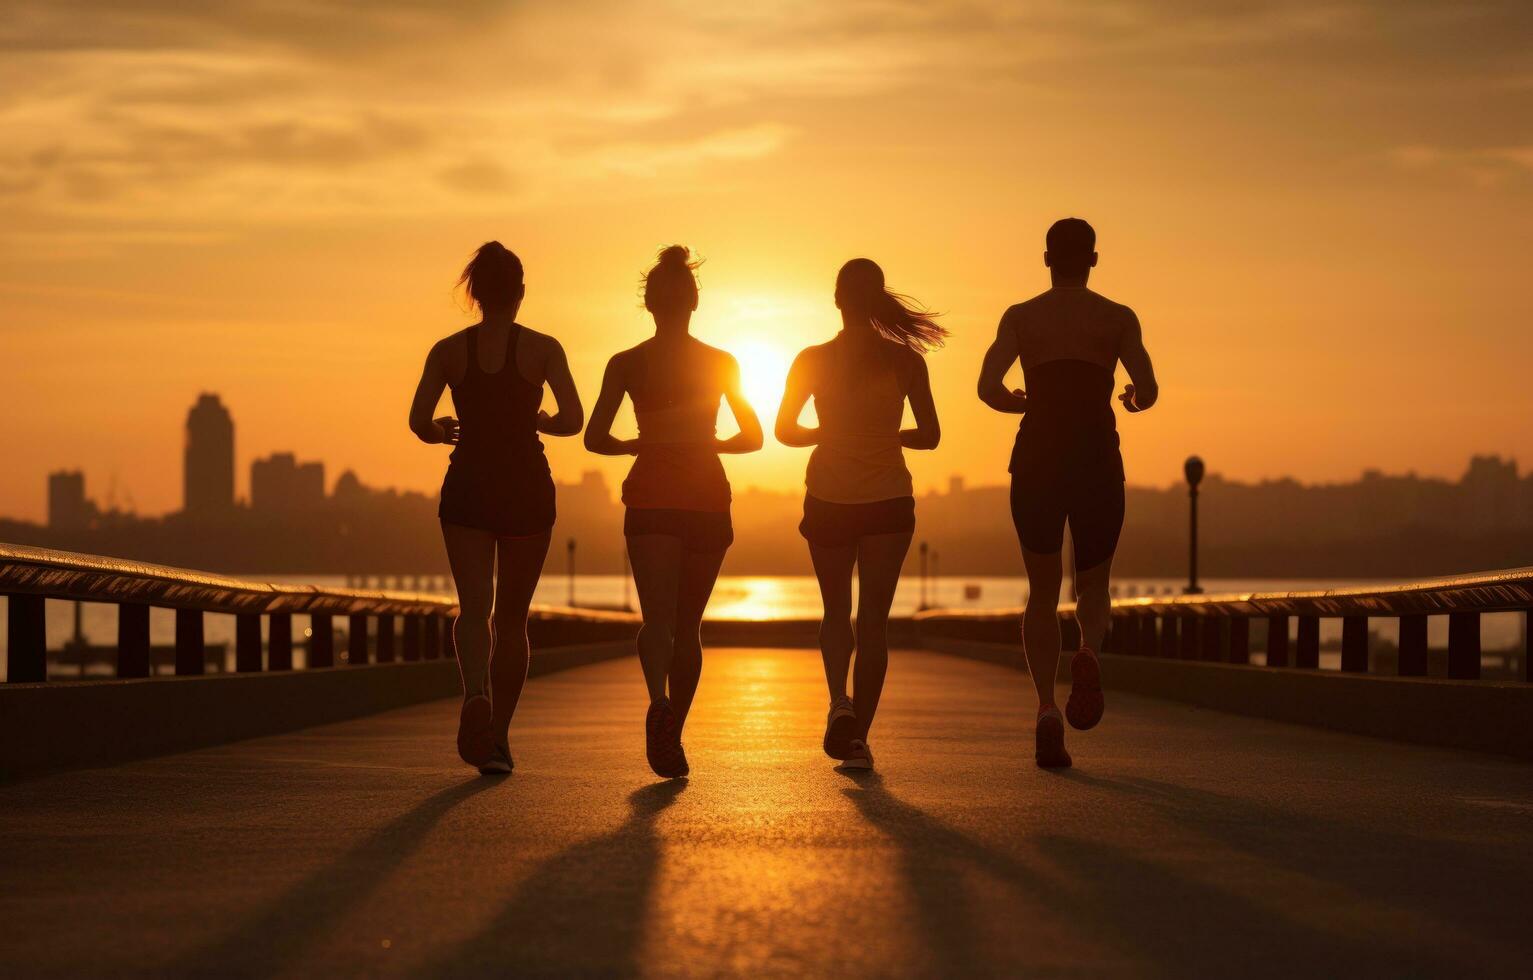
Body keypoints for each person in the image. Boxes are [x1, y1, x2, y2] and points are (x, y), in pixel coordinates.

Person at [976, 218, 1159, 769]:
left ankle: (1046, 707)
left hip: (1037, 457)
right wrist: (1128, 397)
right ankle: (1088, 652)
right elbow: (1148, 388)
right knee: (1093, 583)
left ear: (1046, 259)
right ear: (1094, 260)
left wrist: (1019, 402)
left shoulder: (1022, 317)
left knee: (1041, 589)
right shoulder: (1117, 317)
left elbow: (987, 386)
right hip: (1096, 457)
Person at [585, 245, 763, 779]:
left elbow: (595, 437)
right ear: (694, 302)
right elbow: (753, 436)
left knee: (655, 620)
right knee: (689, 627)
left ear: (649, 303)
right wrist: (707, 444)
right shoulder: (721, 362)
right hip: (707, 497)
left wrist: (641, 444)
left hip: (652, 498)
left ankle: (657, 701)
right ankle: (674, 729)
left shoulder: (626, 363)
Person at [409, 241, 584, 775]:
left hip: (468, 489)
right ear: (522, 292)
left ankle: (474, 694)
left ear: (475, 294)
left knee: (473, 607)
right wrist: (541, 420)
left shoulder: (448, 350)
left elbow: (419, 422)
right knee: (512, 619)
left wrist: (443, 433)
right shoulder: (544, 349)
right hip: (527, 489)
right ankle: (499, 740)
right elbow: (573, 419)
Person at [777, 259, 944, 772]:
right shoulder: (906, 360)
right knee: (875, 621)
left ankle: (837, 702)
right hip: (888, 500)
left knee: (835, 611)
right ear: (877, 300)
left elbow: (784, 430)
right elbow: (930, 435)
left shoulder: (811, 358)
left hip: (828, 495)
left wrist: (829, 435)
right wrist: (887, 436)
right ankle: (860, 740)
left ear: (836, 299)